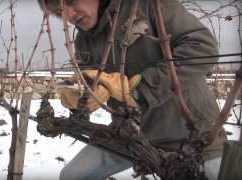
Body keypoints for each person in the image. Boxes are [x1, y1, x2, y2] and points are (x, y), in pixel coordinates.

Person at [37, 0, 228, 179]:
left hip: (193, 139)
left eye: (70, 1)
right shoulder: (83, 41)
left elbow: (203, 47)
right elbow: (94, 84)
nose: (69, 15)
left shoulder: (147, 4)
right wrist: (80, 99)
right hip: (129, 136)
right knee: (72, 176)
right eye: (60, 11)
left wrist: (139, 89)